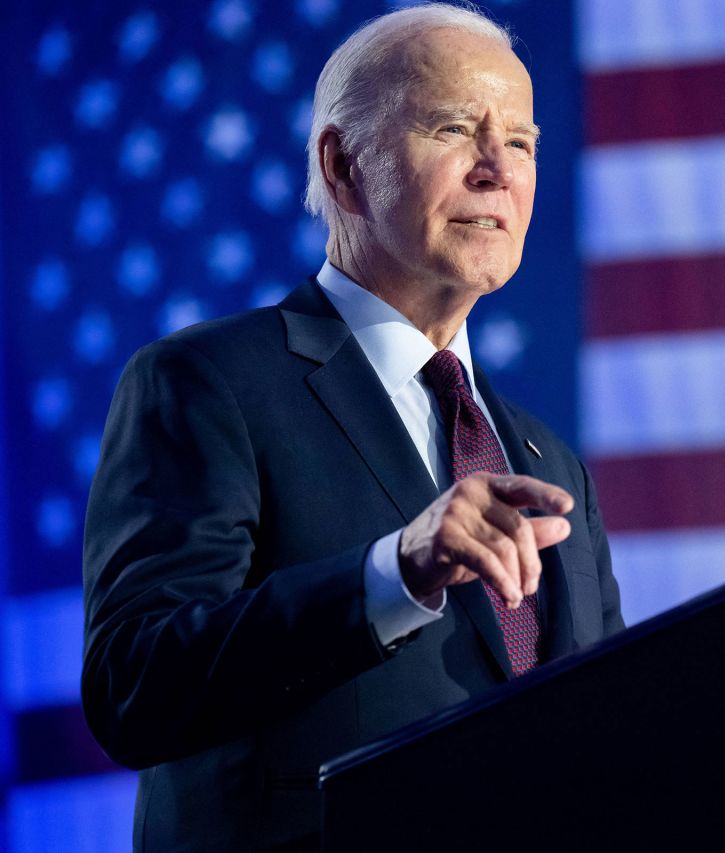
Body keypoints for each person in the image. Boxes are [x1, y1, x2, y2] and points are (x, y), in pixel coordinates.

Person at [80, 4, 624, 849]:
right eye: (454, 127)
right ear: (343, 167)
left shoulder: (549, 459)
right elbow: (136, 685)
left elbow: (604, 730)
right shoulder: (209, 382)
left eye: (520, 141)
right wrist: (394, 571)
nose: (497, 170)